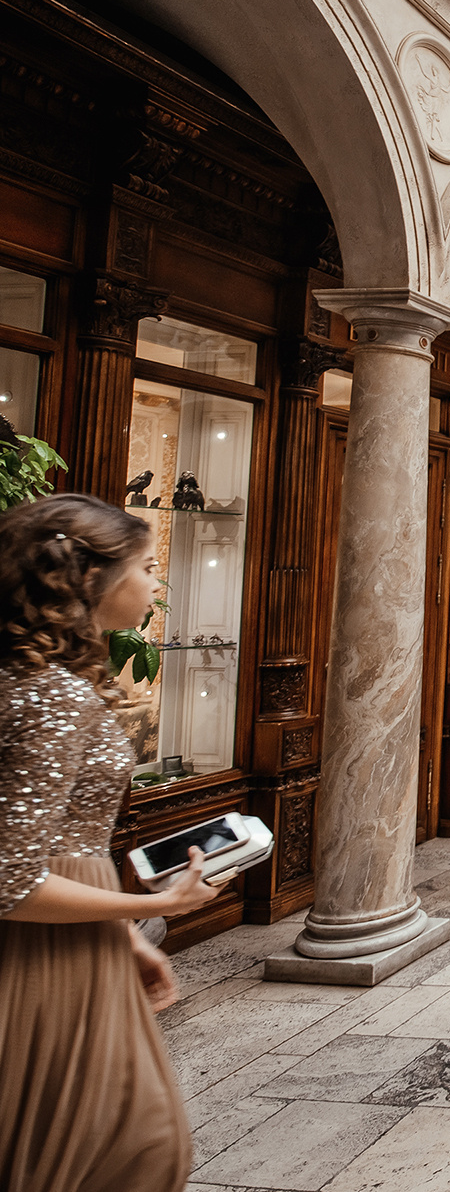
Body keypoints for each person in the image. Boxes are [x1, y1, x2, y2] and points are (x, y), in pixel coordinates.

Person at [0, 494, 220, 1191]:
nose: (156, 582)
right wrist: (154, 907)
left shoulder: (43, 681)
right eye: (147, 567)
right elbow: (11, 880)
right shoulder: (54, 696)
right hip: (42, 959)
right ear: (93, 578)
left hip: (77, 939)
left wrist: (124, 939)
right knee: (127, 1149)